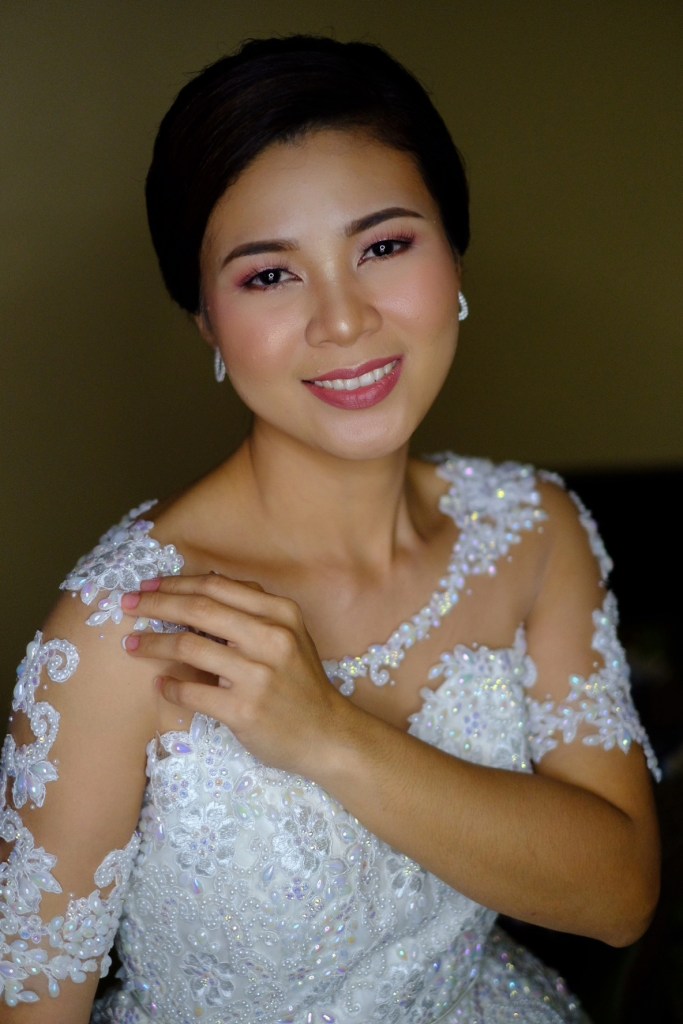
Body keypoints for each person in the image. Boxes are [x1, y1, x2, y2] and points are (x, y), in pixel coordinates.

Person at [0, 34, 660, 1024]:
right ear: (205, 321)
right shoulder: (121, 631)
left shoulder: (532, 532)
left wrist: (328, 735)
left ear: (454, 256)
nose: (343, 320)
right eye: (269, 275)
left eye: (383, 247)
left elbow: (619, 898)